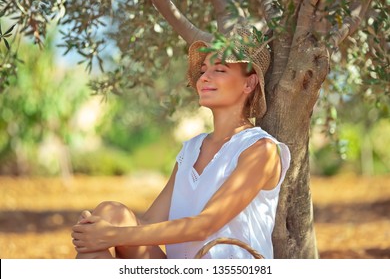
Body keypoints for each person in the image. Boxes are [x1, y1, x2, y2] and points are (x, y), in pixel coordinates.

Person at [71, 25, 291, 259]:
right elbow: (148, 222)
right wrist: (95, 229)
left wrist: (114, 236)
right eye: (204, 70)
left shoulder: (260, 149)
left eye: (220, 70)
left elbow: (204, 226)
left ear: (249, 83)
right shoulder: (191, 150)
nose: (204, 77)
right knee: (110, 211)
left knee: (108, 232)